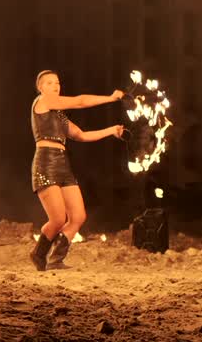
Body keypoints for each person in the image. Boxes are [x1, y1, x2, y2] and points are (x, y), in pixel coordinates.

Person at [28, 70, 124, 271]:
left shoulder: (59, 116)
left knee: (78, 216)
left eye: (57, 82)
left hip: (63, 164)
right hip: (45, 163)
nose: (55, 86)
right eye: (49, 83)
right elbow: (80, 101)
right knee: (57, 219)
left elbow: (81, 135)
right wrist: (110, 98)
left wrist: (111, 130)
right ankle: (38, 254)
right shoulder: (42, 102)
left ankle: (55, 259)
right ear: (41, 88)